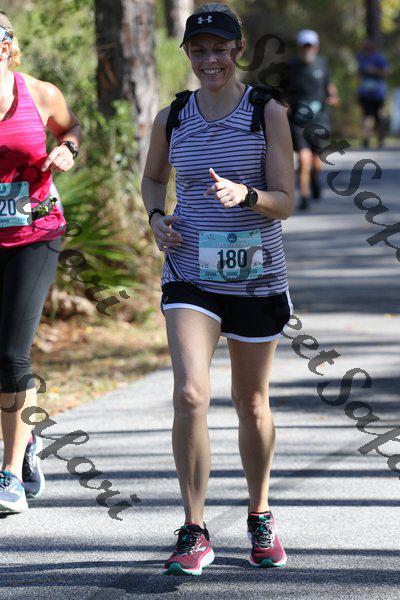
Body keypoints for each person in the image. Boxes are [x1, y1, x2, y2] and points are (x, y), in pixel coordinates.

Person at [141, 2, 295, 576]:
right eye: (199, 50)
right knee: (190, 395)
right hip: (190, 273)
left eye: (220, 50)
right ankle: (194, 527)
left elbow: (286, 201)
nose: (210, 60)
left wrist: (246, 195)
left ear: (238, 51)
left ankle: (260, 514)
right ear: (188, 53)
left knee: (251, 402)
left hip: (255, 276)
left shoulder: (266, 111)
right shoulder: (173, 117)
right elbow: (153, 178)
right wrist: (156, 217)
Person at [0, 12, 81, 513]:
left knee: (12, 354)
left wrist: (67, 149)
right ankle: (26, 439)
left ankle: (9, 474)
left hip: (35, 233)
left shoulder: (39, 94)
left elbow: (71, 129)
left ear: (7, 47)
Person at [283, 29, 339, 210]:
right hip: (298, 120)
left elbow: (328, 85)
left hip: (320, 119)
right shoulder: (290, 67)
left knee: (316, 161)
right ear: (299, 47)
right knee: (303, 158)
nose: (307, 49)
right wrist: (284, 106)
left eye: (310, 46)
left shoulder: (322, 64)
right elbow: (283, 91)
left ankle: (315, 179)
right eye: (304, 46)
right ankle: (305, 195)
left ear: (316, 47)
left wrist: (333, 96)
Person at [357, 38, 391, 148]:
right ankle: (366, 139)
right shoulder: (360, 57)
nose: (366, 49)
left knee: (379, 117)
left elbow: (388, 72)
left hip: (378, 94)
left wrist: (374, 70)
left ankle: (380, 139)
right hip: (365, 93)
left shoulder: (379, 58)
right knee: (367, 115)